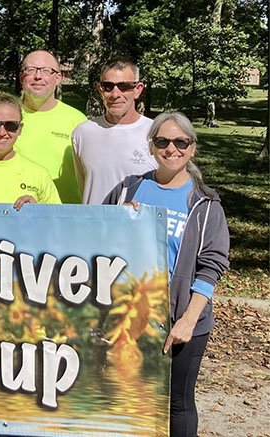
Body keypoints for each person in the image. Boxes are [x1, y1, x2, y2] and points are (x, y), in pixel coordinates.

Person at [103, 112, 229, 437]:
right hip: (131, 315)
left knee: (178, 404)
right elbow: (96, 235)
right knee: (126, 396)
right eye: (162, 141)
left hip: (181, 321)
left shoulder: (205, 204)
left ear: (192, 148)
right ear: (151, 146)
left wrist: (188, 320)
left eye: (180, 142)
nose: (171, 148)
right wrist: (118, 221)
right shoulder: (129, 190)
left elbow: (212, 264)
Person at [0, 50, 86, 203]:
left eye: (46, 71)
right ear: (21, 77)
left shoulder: (78, 122)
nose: (38, 76)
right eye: (31, 70)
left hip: (63, 217)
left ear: (58, 78)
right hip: (10, 216)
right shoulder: (0, 120)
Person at [72, 58, 157, 204]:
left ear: (138, 90)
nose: (115, 94)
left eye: (124, 86)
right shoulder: (82, 133)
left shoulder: (156, 133)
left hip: (137, 225)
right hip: (93, 225)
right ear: (100, 89)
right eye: (108, 86)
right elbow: (84, 187)